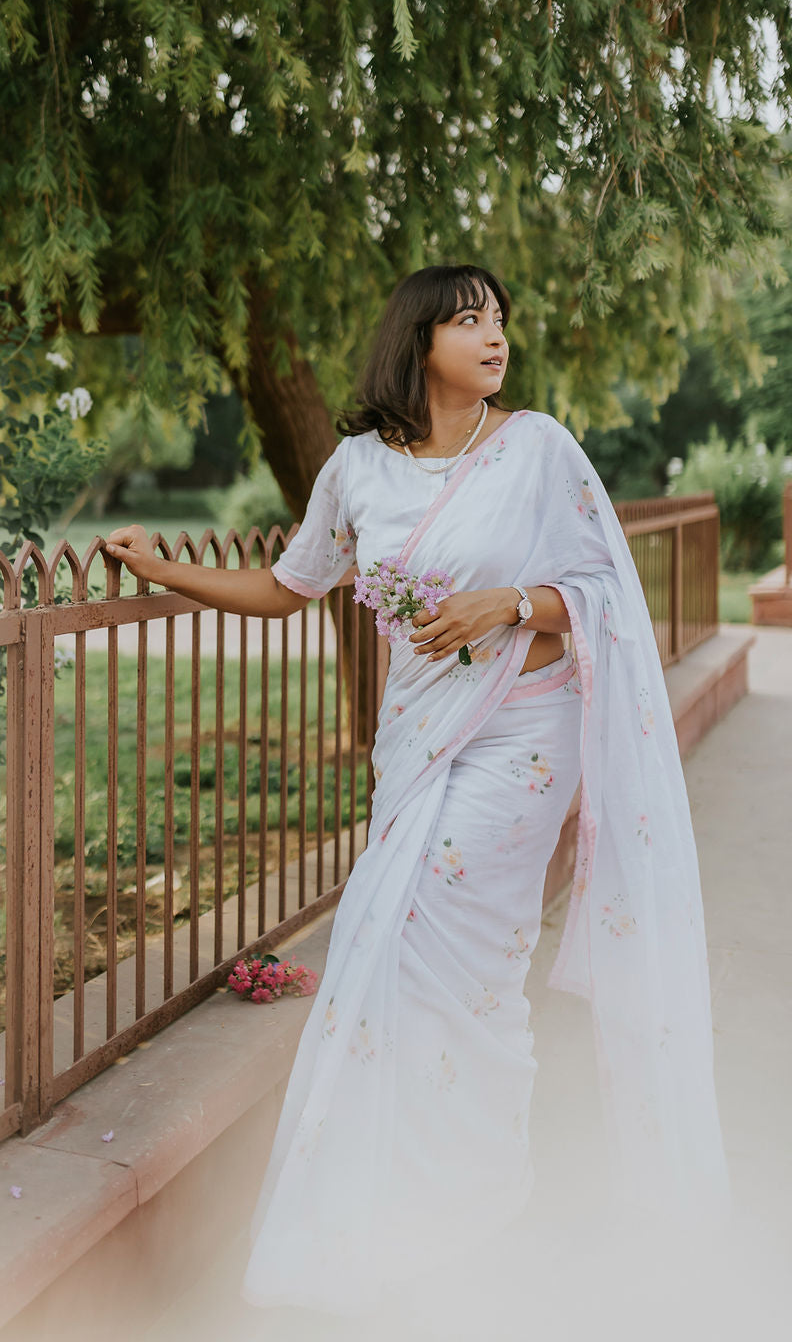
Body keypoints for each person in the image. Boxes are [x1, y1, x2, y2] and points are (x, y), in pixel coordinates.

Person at [106, 264, 730, 1322]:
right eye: (469, 319)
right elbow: (289, 585)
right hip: (418, 744)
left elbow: (603, 591)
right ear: (418, 339)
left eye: (499, 319)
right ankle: (405, 1197)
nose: (494, 337)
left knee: (459, 951)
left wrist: (510, 602)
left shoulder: (537, 450)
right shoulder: (357, 470)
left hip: (521, 740)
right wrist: (165, 570)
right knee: (393, 953)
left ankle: (479, 1195)